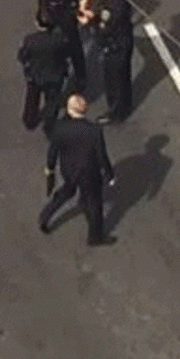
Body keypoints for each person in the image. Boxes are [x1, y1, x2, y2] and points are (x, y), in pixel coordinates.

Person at [10, 0, 95, 92]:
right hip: (47, 11)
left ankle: (81, 77)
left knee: (74, 44)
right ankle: (52, 68)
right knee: (49, 41)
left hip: (66, 12)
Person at [39, 95, 116, 247]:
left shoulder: (60, 128)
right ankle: (95, 237)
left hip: (68, 169)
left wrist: (50, 169)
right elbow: (101, 156)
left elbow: (53, 152)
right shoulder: (94, 131)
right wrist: (109, 175)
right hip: (89, 172)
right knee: (94, 204)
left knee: (65, 192)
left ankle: (45, 215)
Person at [83, 0, 134, 124]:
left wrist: (91, 22)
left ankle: (116, 112)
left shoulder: (111, 8)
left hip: (115, 48)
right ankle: (124, 105)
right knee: (123, 78)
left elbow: (104, 30)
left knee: (114, 80)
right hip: (124, 42)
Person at [18, 10, 71, 137]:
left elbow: (22, 56)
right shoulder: (59, 40)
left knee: (32, 98)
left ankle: (30, 120)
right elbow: (66, 54)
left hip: (35, 74)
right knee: (52, 101)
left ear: (37, 23)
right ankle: (50, 126)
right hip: (54, 75)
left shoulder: (30, 40)